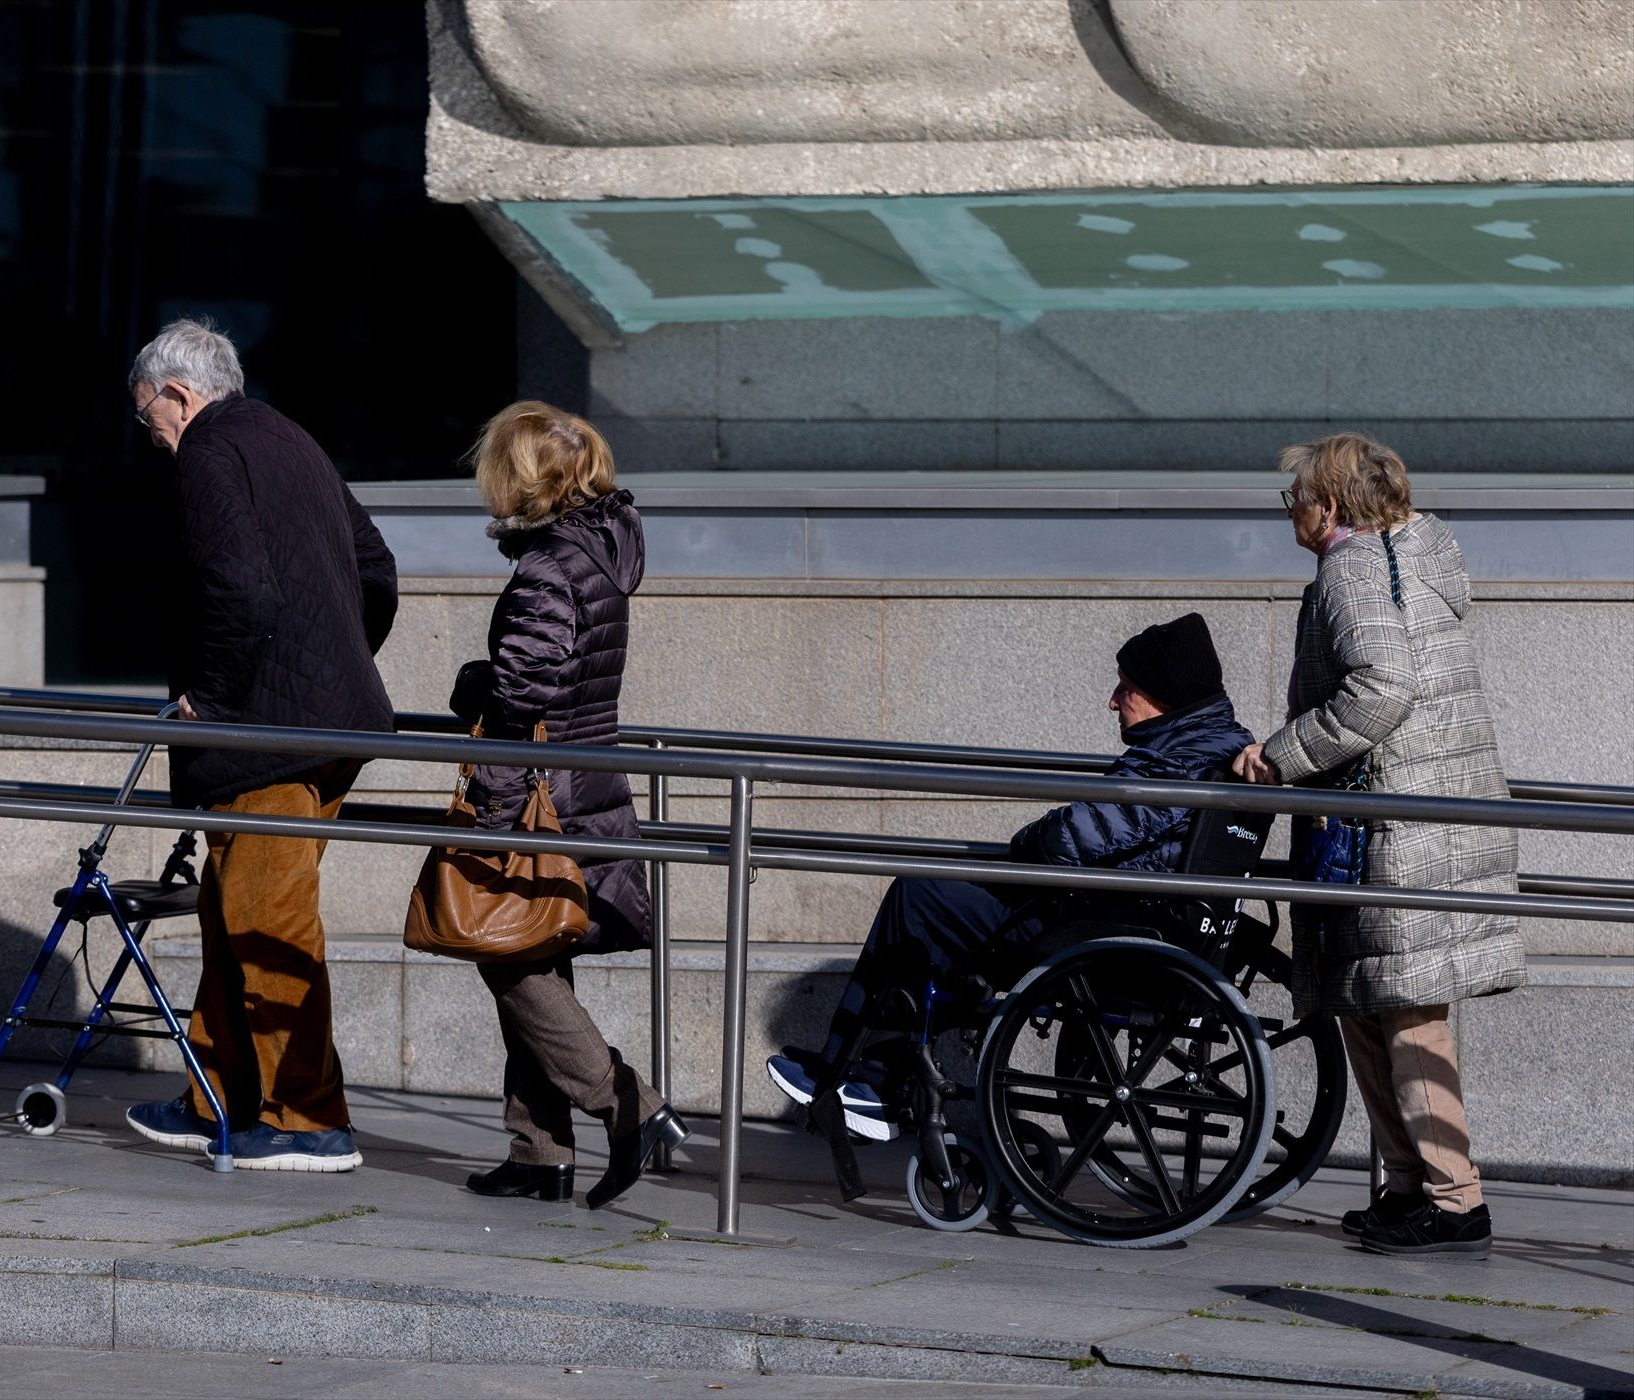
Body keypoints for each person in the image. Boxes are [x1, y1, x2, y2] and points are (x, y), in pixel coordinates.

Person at [767, 614, 1254, 1182]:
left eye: (1127, 687)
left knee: (918, 896)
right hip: (1125, 921)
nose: (1113, 700)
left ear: (1166, 696)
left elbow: (1080, 835)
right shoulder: (1209, 744)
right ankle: (882, 1072)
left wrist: (1026, 844)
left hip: (1103, 932)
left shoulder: (1179, 758)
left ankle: (866, 1079)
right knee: (950, 896)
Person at [1233, 432, 1522, 1257]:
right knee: (1370, 1002)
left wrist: (1282, 755)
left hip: (1395, 829)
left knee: (1406, 1011)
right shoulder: (1412, 556)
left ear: (1329, 505)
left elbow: (1382, 689)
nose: (1290, 510)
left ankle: (1453, 1198)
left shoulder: (1353, 569)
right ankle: (1408, 1186)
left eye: (1295, 497)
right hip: (1421, 820)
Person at [122, 317, 399, 1172]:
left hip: (266, 732)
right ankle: (220, 1097)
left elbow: (238, 590)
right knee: (231, 907)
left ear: (177, 393)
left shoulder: (208, 449)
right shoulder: (287, 436)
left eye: (149, 419)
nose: (155, 440)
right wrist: (335, 672)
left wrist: (214, 696)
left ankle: (308, 1117)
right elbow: (377, 568)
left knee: (265, 919)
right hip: (323, 723)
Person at [448, 400, 684, 1210]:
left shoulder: (549, 567)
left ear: (520, 478)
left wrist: (475, 686)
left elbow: (527, 686)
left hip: (538, 796)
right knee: (533, 949)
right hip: (583, 786)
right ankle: (538, 1150)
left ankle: (630, 1106)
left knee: (506, 952)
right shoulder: (598, 552)